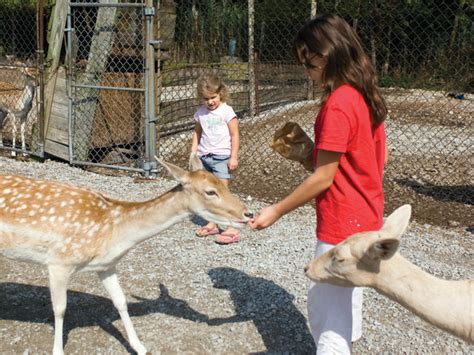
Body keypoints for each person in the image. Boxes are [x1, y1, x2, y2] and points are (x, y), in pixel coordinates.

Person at [249, 14, 388, 354]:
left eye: (307, 62)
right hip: (367, 215)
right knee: (346, 294)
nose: (305, 70)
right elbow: (365, 163)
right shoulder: (364, 94)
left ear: (325, 55)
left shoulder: (339, 104)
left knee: (325, 310)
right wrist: (309, 153)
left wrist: (275, 210)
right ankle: (348, 340)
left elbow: (325, 177)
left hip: (341, 221)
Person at [191, 74, 241, 244]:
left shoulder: (227, 111)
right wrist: (193, 153)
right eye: (206, 99)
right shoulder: (200, 114)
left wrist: (233, 156)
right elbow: (197, 133)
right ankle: (212, 223)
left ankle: (232, 226)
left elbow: (235, 135)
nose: (210, 102)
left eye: (213, 97)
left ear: (221, 94)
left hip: (221, 158)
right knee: (209, 194)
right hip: (205, 157)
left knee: (223, 194)